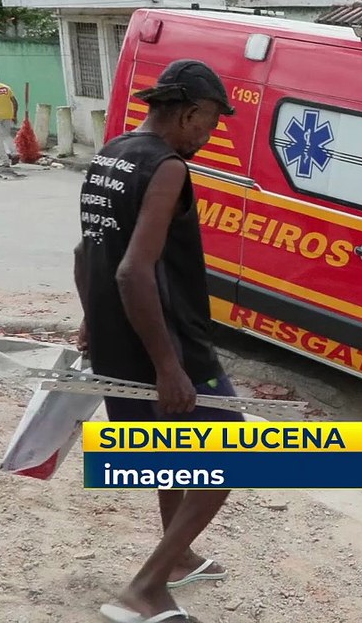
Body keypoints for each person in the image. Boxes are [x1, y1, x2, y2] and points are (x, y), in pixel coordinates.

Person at [73, 59, 240, 623]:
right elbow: (132, 272)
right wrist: (170, 367)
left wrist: (93, 322)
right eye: (212, 121)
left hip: (116, 339)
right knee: (234, 458)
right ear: (189, 113)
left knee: (175, 456)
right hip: (168, 342)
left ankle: (176, 558)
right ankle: (144, 590)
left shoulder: (112, 153)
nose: (211, 134)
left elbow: (86, 253)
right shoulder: (167, 168)